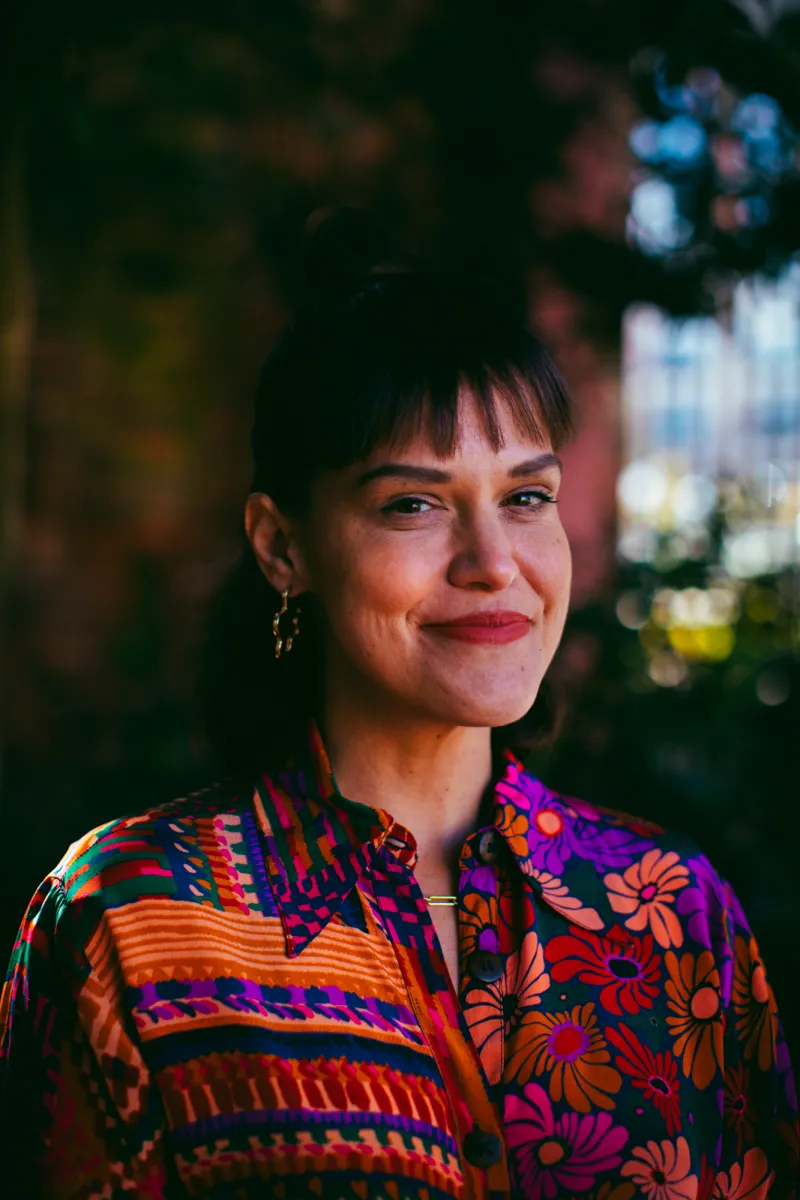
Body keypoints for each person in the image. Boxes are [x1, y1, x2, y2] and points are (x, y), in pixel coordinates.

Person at [1, 210, 797, 1200]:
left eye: (526, 497)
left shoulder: (674, 918)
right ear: (282, 548)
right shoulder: (129, 921)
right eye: (411, 505)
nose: (493, 562)